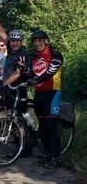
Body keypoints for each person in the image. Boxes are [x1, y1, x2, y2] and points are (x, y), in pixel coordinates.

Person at [0, 12, 32, 154]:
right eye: (13, 41)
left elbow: (18, 73)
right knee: (11, 116)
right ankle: (19, 143)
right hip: (9, 89)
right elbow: (1, 32)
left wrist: (2, 85)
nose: (14, 43)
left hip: (18, 90)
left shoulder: (23, 55)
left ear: (21, 41)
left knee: (20, 118)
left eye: (17, 41)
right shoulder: (10, 49)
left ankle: (26, 147)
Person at [28, 30, 64, 168]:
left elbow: (50, 73)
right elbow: (30, 76)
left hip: (53, 92)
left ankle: (57, 158)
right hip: (39, 94)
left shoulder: (55, 55)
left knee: (51, 125)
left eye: (40, 41)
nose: (37, 43)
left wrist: (34, 79)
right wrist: (25, 73)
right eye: (35, 42)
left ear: (45, 41)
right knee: (42, 126)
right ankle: (48, 155)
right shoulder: (35, 60)